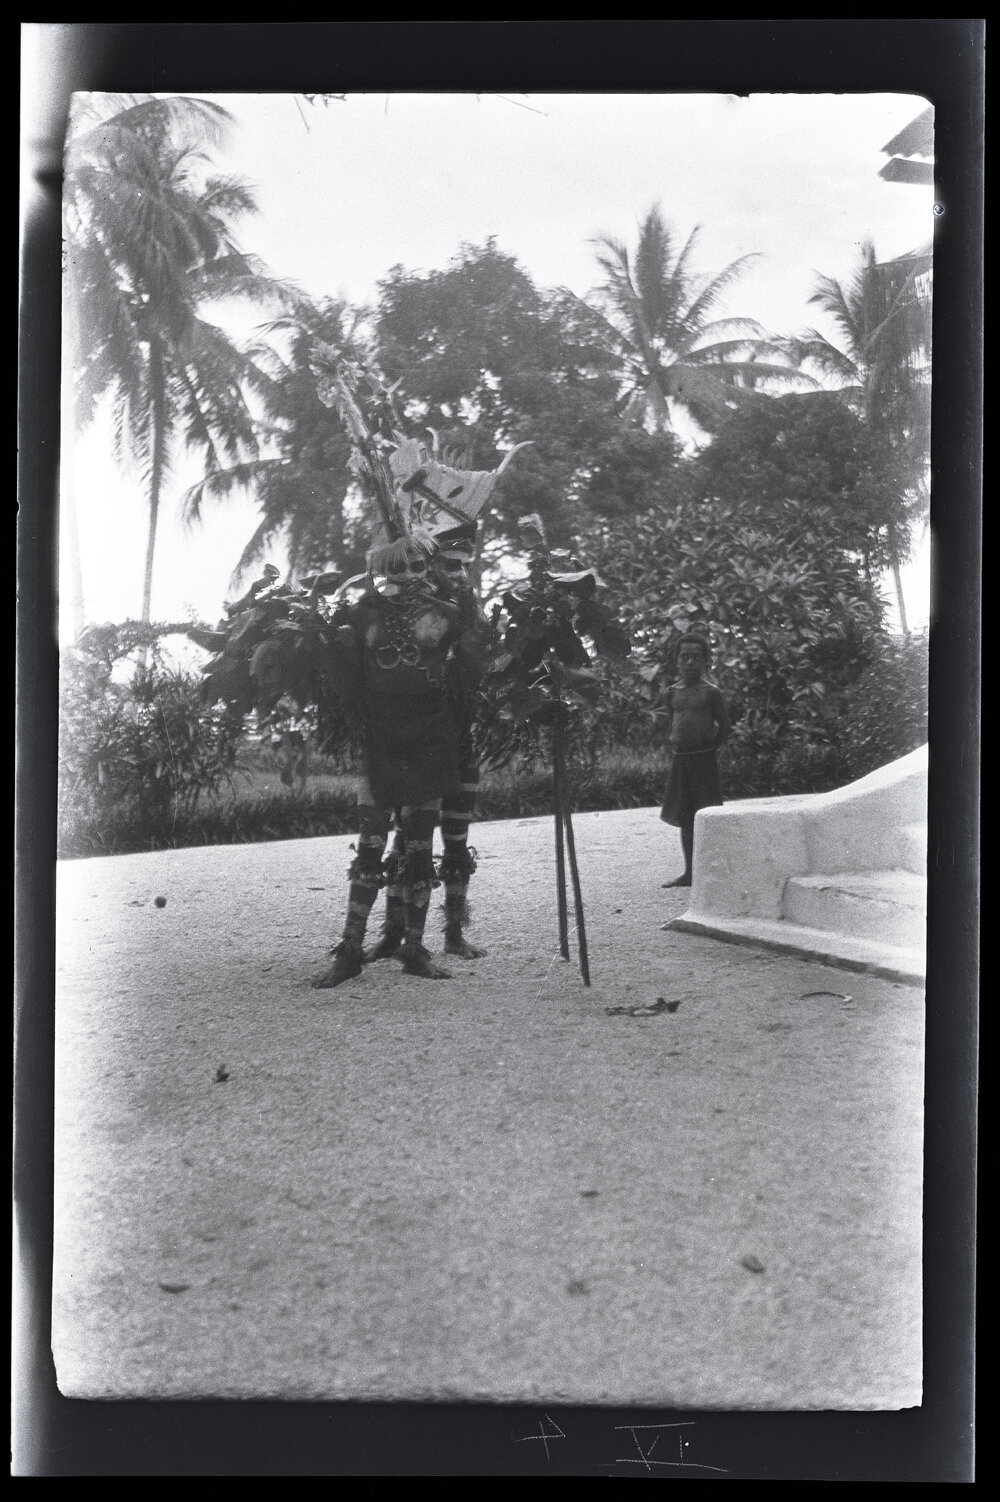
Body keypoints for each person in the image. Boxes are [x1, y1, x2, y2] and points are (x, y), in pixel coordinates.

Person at [311, 529, 489, 990]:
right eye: (396, 567)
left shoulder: (447, 615)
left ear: (426, 568)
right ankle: (349, 951)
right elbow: (347, 682)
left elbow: (474, 670)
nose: (407, 575)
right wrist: (329, 641)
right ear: (379, 570)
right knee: (370, 842)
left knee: (417, 846)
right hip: (382, 738)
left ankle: (414, 948)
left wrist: (471, 626)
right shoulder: (361, 613)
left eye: (415, 566)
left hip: (430, 737)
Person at [365, 520, 490, 963]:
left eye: (464, 565)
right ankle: (394, 934)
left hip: (460, 741)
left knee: (455, 837)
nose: (457, 572)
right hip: (420, 739)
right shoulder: (421, 612)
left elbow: (483, 670)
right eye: (449, 563)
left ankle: (454, 933)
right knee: (407, 838)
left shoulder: (463, 613)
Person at [658, 632, 730, 888]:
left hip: (704, 761)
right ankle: (689, 873)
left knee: (707, 815)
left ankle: (713, 872)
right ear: (676, 660)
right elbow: (672, 724)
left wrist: (708, 749)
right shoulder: (671, 693)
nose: (690, 662)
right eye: (684, 657)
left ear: (705, 661)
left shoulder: (711, 693)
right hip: (681, 761)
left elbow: (724, 728)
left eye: (695, 658)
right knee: (685, 817)